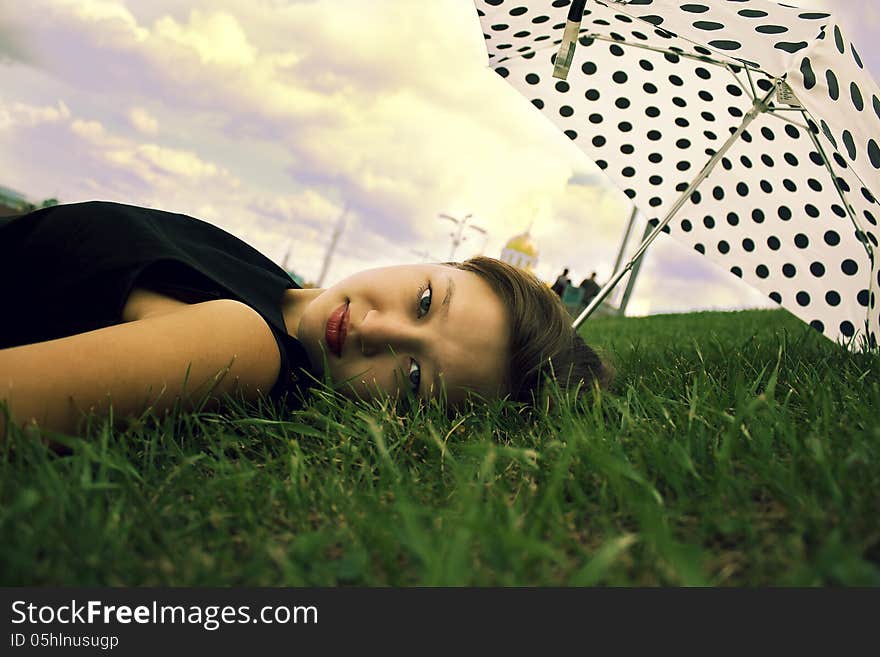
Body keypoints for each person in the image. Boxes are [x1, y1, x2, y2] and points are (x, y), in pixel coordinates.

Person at [0, 201, 612, 439]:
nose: (381, 331)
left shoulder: (245, 345)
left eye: (414, 377)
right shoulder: (278, 287)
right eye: (425, 302)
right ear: (438, 259)